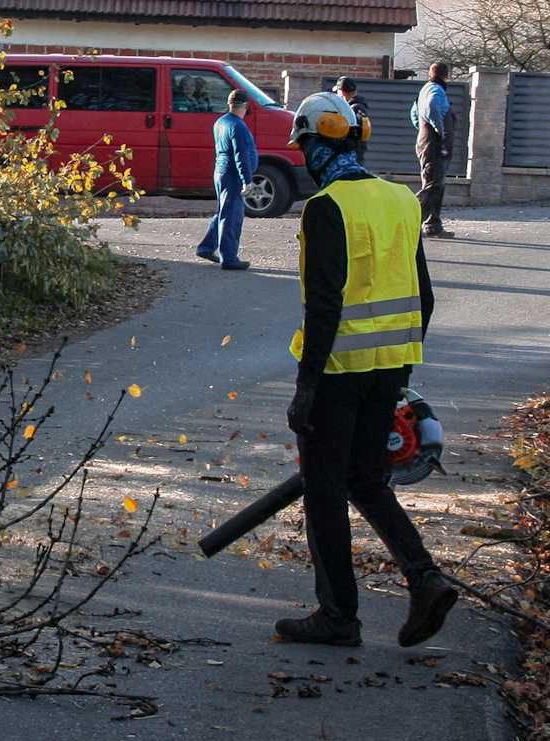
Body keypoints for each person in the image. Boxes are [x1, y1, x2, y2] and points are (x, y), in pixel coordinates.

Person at [276, 90, 457, 649]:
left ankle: (338, 616)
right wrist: (400, 373)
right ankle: (424, 578)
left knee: (326, 492)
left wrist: (305, 391)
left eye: (303, 145)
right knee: (365, 479)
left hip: (337, 373)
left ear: (314, 146)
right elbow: (423, 296)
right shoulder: (402, 200)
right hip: (387, 369)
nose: (303, 156)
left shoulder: (325, 208)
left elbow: (324, 306)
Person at [195, 89, 259, 271]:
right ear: (246, 106)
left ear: (229, 104)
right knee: (232, 215)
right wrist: (247, 180)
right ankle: (229, 258)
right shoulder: (238, 126)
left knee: (224, 210)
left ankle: (206, 247)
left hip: (221, 171)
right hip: (233, 175)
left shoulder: (220, 122)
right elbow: (241, 155)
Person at [408, 63, 456, 239]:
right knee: (432, 186)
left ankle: (433, 225)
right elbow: (431, 107)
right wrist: (439, 131)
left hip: (427, 142)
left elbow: (414, 114)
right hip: (433, 145)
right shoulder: (436, 90)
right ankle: (410, 222)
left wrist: (423, 132)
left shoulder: (425, 89)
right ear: (446, 75)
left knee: (437, 185)